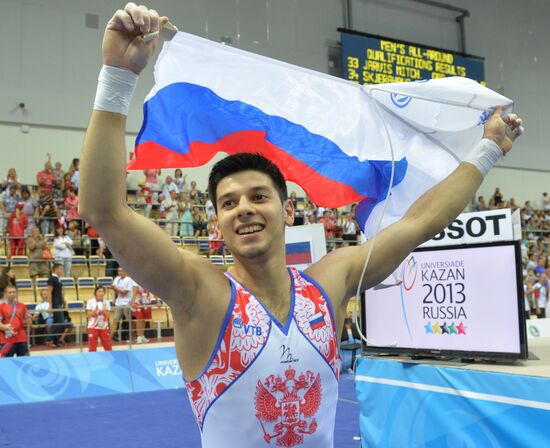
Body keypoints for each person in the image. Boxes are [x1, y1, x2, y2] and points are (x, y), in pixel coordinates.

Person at [79, 5, 523, 446]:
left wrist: (488, 150)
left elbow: (422, 221)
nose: (244, 209)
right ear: (217, 223)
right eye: (229, 203)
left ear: (288, 211)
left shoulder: (330, 283)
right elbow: (105, 212)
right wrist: (118, 76)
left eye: (258, 197)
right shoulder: (199, 294)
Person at [0, 286, 31, 357]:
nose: (12, 294)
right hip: (7, 339)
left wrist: (29, 320)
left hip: (21, 338)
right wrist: (7, 328)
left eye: (14, 292)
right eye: (10, 292)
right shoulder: (1, 307)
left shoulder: (22, 306)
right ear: (5, 294)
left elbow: (28, 320)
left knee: (25, 361)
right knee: (6, 362)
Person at [108, 267, 133, 342]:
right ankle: (110, 338)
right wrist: (113, 299)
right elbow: (112, 289)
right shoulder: (117, 279)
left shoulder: (129, 280)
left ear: (126, 272)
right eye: (119, 271)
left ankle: (128, 337)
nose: (120, 272)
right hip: (118, 303)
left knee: (128, 321)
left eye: (122, 271)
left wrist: (115, 289)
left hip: (127, 302)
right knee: (116, 320)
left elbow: (125, 293)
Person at [86, 286, 113, 352]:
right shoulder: (90, 301)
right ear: (95, 293)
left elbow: (108, 315)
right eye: (99, 291)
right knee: (92, 347)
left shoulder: (107, 302)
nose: (101, 293)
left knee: (108, 345)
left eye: (102, 291)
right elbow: (88, 315)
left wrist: (104, 311)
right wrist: (95, 311)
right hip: (93, 326)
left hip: (103, 326)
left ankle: (110, 359)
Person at [47, 263, 65, 346]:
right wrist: (50, 305)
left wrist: (63, 300)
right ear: (56, 269)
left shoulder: (58, 279)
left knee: (57, 321)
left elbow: (60, 292)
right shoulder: (52, 279)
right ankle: (49, 338)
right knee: (60, 322)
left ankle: (54, 341)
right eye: (60, 269)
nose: (62, 270)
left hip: (59, 302)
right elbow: (49, 292)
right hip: (55, 303)